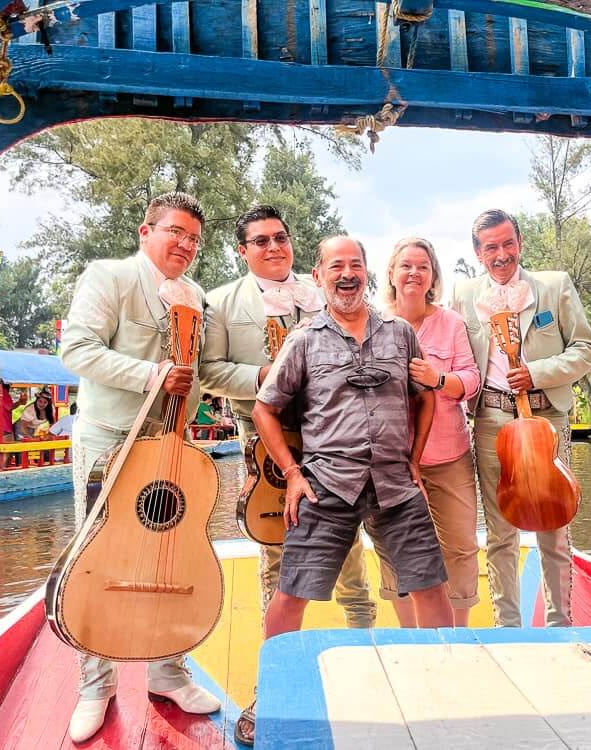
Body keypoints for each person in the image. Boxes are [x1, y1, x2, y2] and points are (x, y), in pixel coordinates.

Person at [247, 236, 454, 746]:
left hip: (395, 482)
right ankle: (267, 692)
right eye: (335, 266)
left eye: (355, 265)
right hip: (326, 484)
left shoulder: (400, 333)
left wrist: (412, 460)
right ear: (318, 276)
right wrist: (293, 474)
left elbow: (424, 398)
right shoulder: (304, 339)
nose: (347, 274)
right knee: (292, 593)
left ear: (368, 274)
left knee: (430, 586)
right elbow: (264, 409)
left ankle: (449, 687)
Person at [59, 191, 220, 743]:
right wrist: (151, 376)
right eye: (175, 232)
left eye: (194, 238)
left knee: (171, 552)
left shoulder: (196, 295)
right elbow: (77, 350)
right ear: (145, 231)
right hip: (109, 440)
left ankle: (167, 672)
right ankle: (94, 685)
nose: (186, 244)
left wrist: (187, 419)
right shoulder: (109, 276)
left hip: (169, 440)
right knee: (95, 556)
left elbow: (196, 370)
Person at [201, 206, 376, 629]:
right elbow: (209, 372)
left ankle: (365, 639)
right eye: (261, 241)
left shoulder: (326, 293)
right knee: (277, 542)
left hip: (329, 433)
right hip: (265, 436)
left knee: (348, 539)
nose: (274, 247)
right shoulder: (221, 302)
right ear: (243, 250)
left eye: (281, 238)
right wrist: (266, 375)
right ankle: (275, 669)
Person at [448, 209, 591, 628]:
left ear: (520, 243)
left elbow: (586, 349)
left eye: (507, 243)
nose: (501, 254)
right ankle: (508, 628)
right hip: (491, 420)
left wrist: (537, 372)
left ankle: (559, 625)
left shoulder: (554, 286)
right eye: (491, 247)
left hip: (547, 418)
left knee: (554, 524)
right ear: (478, 253)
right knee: (501, 530)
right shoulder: (462, 295)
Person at [380, 237, 482, 627]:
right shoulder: (374, 322)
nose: (413, 273)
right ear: (391, 273)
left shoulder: (451, 322)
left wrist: (439, 378)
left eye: (422, 266)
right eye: (405, 265)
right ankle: (410, 637)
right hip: (391, 460)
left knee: (459, 545)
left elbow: (471, 380)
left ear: (432, 276)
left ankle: (457, 635)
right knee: (394, 547)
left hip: (448, 455)